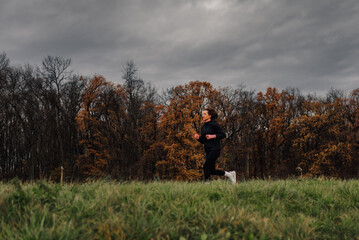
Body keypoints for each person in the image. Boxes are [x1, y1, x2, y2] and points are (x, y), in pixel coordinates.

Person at [194, 108, 236, 184]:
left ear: (209, 116)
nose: (203, 115)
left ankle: (206, 184)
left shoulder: (214, 124)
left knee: (205, 166)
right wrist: (198, 138)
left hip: (215, 148)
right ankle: (230, 174)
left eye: (205, 114)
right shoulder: (203, 127)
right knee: (211, 170)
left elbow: (223, 135)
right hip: (208, 149)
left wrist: (212, 136)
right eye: (203, 114)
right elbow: (203, 141)